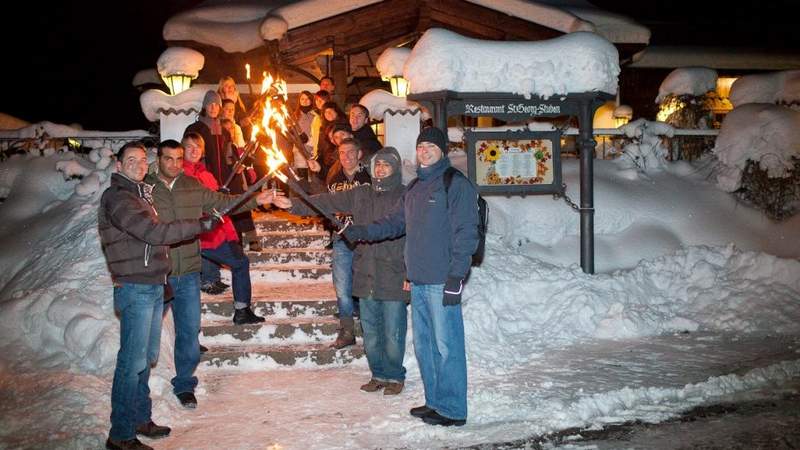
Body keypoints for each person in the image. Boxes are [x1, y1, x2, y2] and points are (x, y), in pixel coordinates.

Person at [343, 127, 479, 427]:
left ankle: (454, 409)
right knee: (426, 346)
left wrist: (457, 276)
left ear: (442, 150)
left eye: (432, 146)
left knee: (447, 346)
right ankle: (435, 402)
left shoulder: (454, 183)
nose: (425, 151)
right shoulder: (416, 187)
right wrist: (360, 231)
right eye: (421, 147)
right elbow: (393, 223)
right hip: (418, 282)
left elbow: (467, 233)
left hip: (443, 280)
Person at [99, 141, 220, 450]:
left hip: (152, 286)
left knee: (144, 360)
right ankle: (121, 435)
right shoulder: (118, 197)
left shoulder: (139, 195)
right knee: (131, 363)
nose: (138, 165)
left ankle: (140, 419)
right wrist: (198, 225)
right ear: (118, 165)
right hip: (136, 288)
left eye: (142, 160)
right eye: (131, 160)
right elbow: (153, 232)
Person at [145, 138, 273, 409]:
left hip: (189, 272)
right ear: (158, 160)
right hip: (158, 273)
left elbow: (223, 203)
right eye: (169, 159)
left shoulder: (192, 186)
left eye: (179, 159)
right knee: (148, 333)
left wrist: (256, 199)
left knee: (189, 332)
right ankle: (139, 386)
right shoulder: (146, 188)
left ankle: (184, 384)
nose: (175, 164)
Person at [275, 147, 409, 394]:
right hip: (366, 271)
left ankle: (394, 376)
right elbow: (326, 201)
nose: (380, 169)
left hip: (393, 273)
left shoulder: (405, 196)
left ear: (395, 169)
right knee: (370, 331)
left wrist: (409, 274)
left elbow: (410, 235)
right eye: (377, 164)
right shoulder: (361, 193)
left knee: (392, 331)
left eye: (386, 165)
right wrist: (292, 204)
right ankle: (378, 373)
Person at [306, 138, 371, 348]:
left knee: (365, 284)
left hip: (365, 239)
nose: (346, 156)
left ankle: (370, 328)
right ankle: (347, 330)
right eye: (342, 153)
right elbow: (327, 203)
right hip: (342, 238)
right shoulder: (334, 178)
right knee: (342, 287)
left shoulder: (369, 176)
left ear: (359, 154)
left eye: (351, 152)